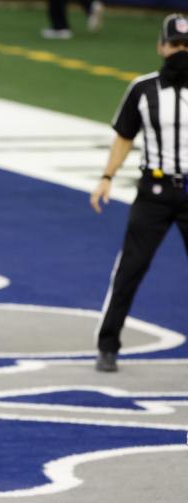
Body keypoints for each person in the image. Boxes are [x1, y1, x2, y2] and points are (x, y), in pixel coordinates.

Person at [90, 13, 188, 373]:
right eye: (176, 44)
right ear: (162, 46)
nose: (181, 51)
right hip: (155, 191)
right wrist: (106, 176)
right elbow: (125, 135)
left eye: (187, 45)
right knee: (130, 268)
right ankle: (108, 344)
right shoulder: (143, 89)